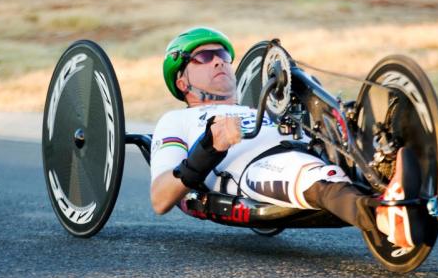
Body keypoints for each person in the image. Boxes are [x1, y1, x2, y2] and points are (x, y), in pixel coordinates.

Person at [149, 26, 421, 248]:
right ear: (182, 82)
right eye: (204, 57)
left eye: (222, 54)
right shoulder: (176, 120)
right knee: (308, 173)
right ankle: (385, 217)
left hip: (309, 150)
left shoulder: (259, 108)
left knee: (361, 128)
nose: (219, 59)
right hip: (255, 169)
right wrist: (211, 145)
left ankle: (407, 168)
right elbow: (161, 198)